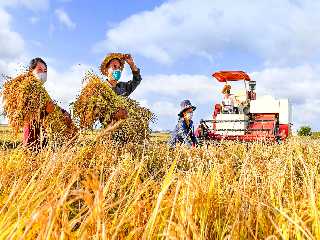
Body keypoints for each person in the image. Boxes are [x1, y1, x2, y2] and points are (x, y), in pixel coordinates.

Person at [23, 58, 72, 150]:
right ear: (30, 72)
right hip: (32, 139)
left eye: (45, 71)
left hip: (43, 139)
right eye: (39, 70)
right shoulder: (26, 90)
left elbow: (50, 105)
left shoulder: (41, 91)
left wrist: (63, 112)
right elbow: (28, 115)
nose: (43, 73)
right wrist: (46, 112)